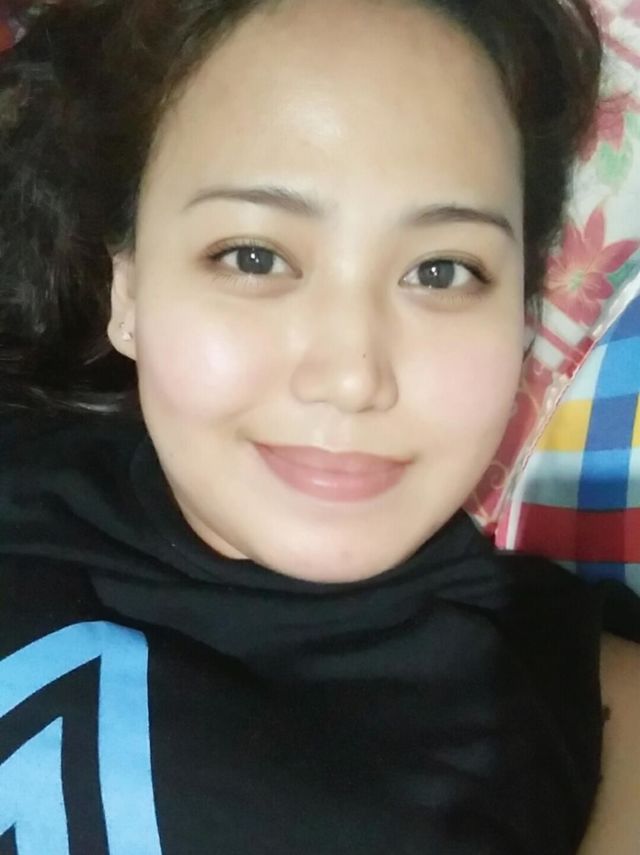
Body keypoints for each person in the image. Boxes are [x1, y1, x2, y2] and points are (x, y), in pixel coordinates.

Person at [0, 0, 639, 852]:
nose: (351, 376)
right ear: (129, 291)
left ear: (523, 315)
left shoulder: (603, 720)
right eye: (254, 257)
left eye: (441, 271)